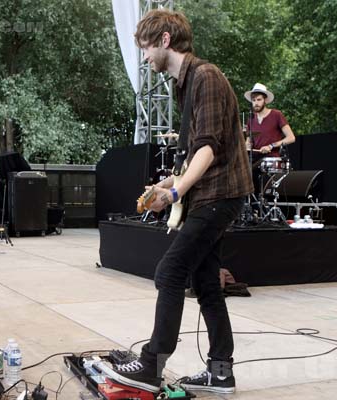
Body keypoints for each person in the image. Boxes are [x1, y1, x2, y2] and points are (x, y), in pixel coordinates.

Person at [98, 10, 253, 394]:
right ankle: (220, 372)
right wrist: (165, 185)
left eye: (147, 47)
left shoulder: (206, 76)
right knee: (206, 283)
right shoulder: (187, 84)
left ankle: (152, 363)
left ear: (165, 40)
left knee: (170, 271)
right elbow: (191, 158)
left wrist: (176, 192)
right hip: (210, 194)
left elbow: (208, 149)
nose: (145, 57)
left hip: (219, 194)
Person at [245, 82, 296, 158]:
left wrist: (271, 146)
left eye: (259, 99)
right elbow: (248, 141)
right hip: (254, 161)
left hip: (272, 161)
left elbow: (291, 138)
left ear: (265, 100)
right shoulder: (251, 119)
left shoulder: (276, 114)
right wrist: (247, 146)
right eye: (254, 100)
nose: (256, 103)